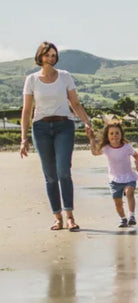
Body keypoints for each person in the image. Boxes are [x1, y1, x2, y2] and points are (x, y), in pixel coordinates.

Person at [19, 41, 93, 231]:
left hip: (64, 126)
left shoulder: (65, 77)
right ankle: (57, 217)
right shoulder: (32, 80)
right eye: (48, 55)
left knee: (63, 171)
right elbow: (27, 111)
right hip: (40, 129)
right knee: (50, 176)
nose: (51, 58)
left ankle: (69, 216)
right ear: (40, 57)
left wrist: (87, 122)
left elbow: (75, 104)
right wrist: (23, 138)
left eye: (54, 55)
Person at [89, 121, 138, 228]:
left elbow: (135, 155)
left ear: (121, 134)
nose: (114, 136)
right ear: (107, 136)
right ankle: (123, 219)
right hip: (114, 179)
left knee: (129, 192)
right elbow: (94, 152)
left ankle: (132, 216)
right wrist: (91, 139)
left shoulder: (126, 147)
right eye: (111, 134)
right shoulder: (106, 148)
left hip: (128, 177)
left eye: (117, 133)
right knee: (118, 202)